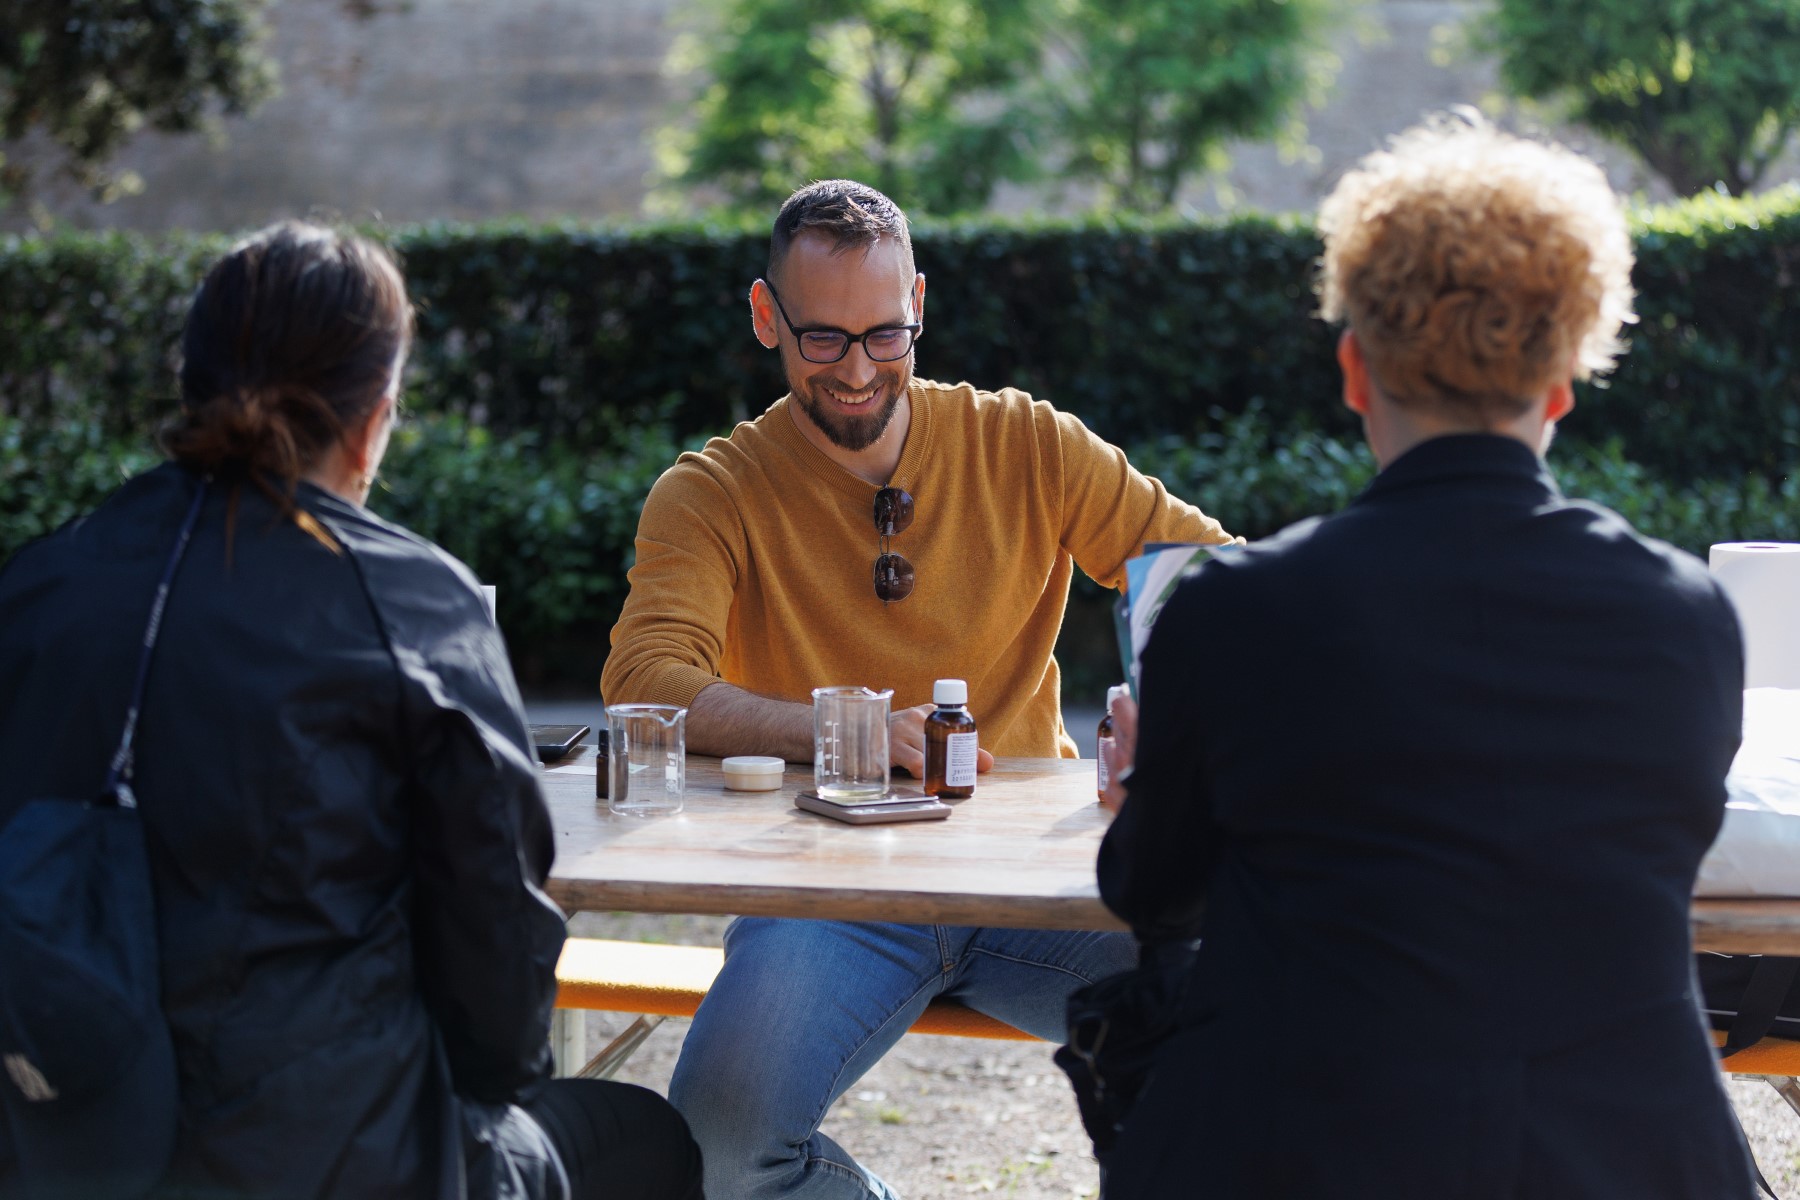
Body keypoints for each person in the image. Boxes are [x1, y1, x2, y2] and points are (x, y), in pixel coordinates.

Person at [1094, 117, 1758, 1198]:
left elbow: (1153, 894)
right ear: (1563, 381)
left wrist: (1147, 790)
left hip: (1305, 1154)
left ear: (1356, 369)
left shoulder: (1238, 611)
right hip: (1629, 1158)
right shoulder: (1687, 619)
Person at [0, 222, 704, 1200]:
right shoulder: (412, 604)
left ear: (190, 385)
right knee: (646, 1140)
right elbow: (500, 984)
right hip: (342, 1159)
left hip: (61, 1141)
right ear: (374, 419)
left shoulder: (39, 586)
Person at [600, 179, 1237, 1198]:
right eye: (822, 339)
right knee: (719, 1150)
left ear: (920, 307)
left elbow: (1210, 584)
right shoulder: (712, 491)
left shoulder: (1028, 443)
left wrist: (1179, 713)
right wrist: (844, 729)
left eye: (885, 335)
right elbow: (646, 679)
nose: (858, 370)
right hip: (823, 895)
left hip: (1038, 882)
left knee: (1276, 1022)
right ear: (766, 316)